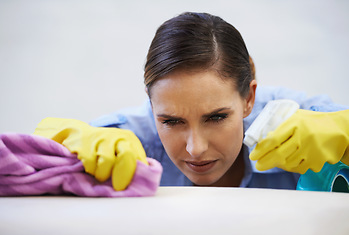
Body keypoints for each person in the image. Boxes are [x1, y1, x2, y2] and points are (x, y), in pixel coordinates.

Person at [34, 12, 349, 191]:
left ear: (249, 97)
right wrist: (55, 146)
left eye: (216, 117)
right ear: (151, 103)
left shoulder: (302, 122)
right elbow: (22, 160)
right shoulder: (128, 140)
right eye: (171, 121)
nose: (195, 149)